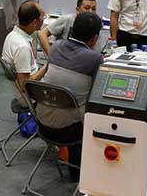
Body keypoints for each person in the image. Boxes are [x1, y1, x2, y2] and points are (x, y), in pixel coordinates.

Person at [37, 12, 104, 182]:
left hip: (42, 124)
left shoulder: (56, 46)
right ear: (94, 38)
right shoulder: (95, 58)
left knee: (72, 105)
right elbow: (98, 92)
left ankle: (76, 170)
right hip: (70, 131)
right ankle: (83, 172)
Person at [2, 0, 48, 103]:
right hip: (30, 98)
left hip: (27, 87)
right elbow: (24, 85)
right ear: (34, 23)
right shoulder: (22, 47)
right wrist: (47, 67)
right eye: (43, 17)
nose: (44, 20)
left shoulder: (12, 35)